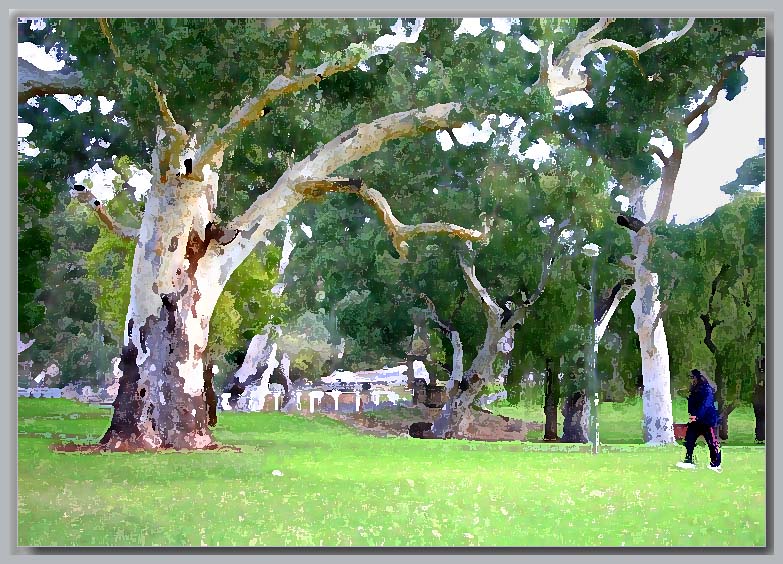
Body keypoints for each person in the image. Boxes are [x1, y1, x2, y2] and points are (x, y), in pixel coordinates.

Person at [677, 369, 722, 473]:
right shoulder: (694, 389)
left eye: (692, 377)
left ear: (698, 377)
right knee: (689, 439)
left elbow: (705, 405)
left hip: (706, 419)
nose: (691, 380)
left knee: (711, 441)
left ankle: (715, 464)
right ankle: (688, 460)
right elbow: (693, 402)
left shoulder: (707, 389)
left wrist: (697, 416)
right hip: (695, 420)